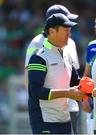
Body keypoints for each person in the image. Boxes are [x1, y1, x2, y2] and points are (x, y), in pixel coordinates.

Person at [24, 5, 81, 134]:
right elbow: (35, 91)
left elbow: (76, 82)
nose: (70, 34)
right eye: (66, 30)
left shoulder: (65, 51)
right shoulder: (38, 56)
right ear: (52, 31)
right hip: (45, 120)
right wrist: (67, 93)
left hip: (65, 118)